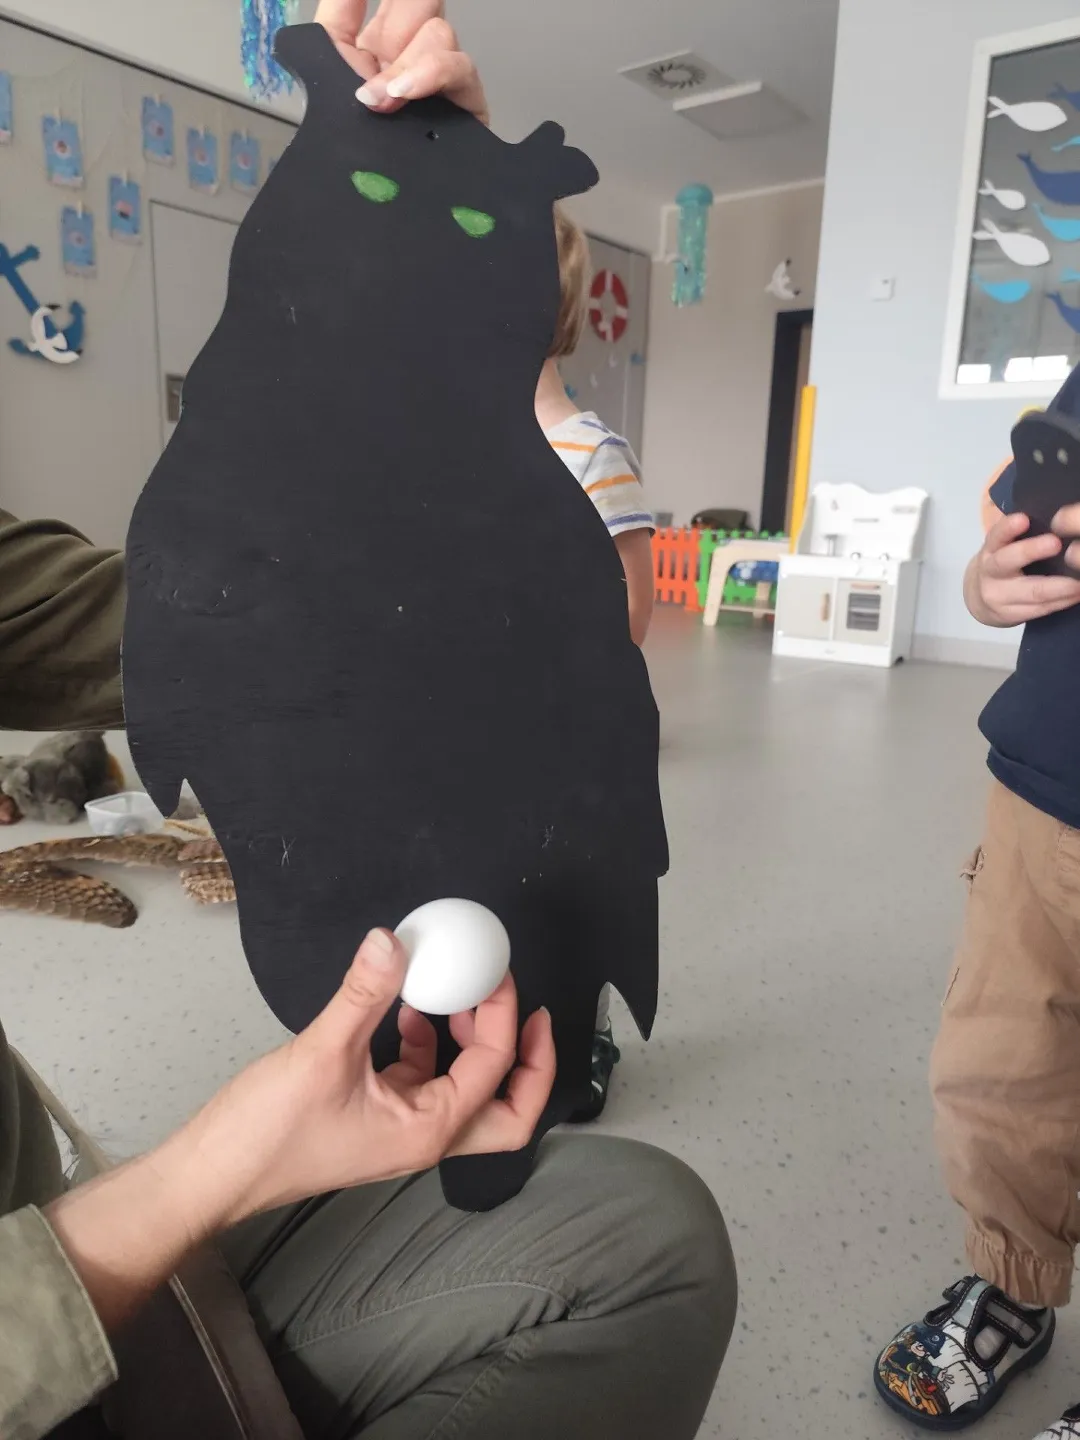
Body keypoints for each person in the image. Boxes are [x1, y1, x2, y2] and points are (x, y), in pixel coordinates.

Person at [0, 10, 736, 1439]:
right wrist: (217, 1169)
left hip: (64, 1212)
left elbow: (189, 608)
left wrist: (407, 226)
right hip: (60, 1320)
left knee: (646, 1234)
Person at [873, 365, 1080, 1440]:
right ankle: (1013, 1279)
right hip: (1045, 789)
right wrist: (988, 584)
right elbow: (1012, 531)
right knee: (1002, 1065)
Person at [534, 207, 655, 1119]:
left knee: (570, 897)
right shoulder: (442, 458)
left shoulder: (590, 453)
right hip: (469, 737)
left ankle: (584, 1038)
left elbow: (631, 614)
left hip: (564, 736)